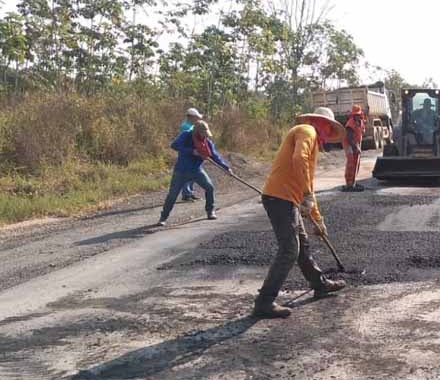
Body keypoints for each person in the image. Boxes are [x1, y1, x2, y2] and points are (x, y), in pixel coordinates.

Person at [252, 107, 348, 319]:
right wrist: (306, 194)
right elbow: (298, 159)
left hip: (288, 200)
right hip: (279, 198)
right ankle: (264, 302)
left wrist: (318, 221)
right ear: (321, 123)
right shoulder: (307, 130)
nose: (328, 135)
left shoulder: (311, 141)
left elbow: (308, 188)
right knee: (289, 250)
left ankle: (319, 284)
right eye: (328, 128)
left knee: (302, 246)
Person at [156, 120, 232, 226]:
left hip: (197, 170)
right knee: (172, 195)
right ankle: (163, 218)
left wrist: (226, 167)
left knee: (210, 188)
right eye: (203, 133)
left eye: (206, 134)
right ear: (197, 131)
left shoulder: (207, 142)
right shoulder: (186, 136)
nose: (205, 136)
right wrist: (192, 151)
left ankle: (210, 211)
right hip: (181, 171)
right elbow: (174, 146)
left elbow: (215, 156)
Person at [342, 104, 366, 192]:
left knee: (357, 162)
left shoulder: (361, 121)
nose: (357, 116)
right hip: (349, 143)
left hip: (355, 143)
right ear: (353, 115)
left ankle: (353, 182)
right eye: (355, 115)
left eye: (358, 114)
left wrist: (358, 146)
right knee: (351, 162)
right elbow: (349, 137)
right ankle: (349, 184)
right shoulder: (350, 123)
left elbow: (361, 132)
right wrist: (355, 147)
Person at [180, 108, 203, 202]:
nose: (197, 119)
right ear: (191, 117)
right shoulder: (186, 126)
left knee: (193, 174)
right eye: (196, 117)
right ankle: (186, 194)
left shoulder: (192, 126)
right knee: (187, 174)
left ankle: (190, 192)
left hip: (194, 152)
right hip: (187, 153)